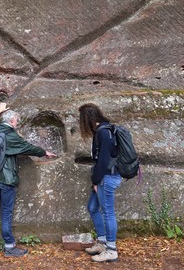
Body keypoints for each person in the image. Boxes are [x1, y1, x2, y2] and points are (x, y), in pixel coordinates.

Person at [0, 102, 57, 257]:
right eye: (16, 121)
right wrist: (45, 152)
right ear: (11, 121)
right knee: (6, 212)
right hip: (7, 179)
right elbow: (27, 147)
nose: (17, 124)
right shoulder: (11, 135)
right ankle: (9, 247)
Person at [78, 103, 122, 263]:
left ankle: (111, 250)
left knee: (108, 212)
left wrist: (96, 181)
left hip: (107, 178)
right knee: (92, 208)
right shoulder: (104, 130)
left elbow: (103, 160)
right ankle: (102, 242)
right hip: (104, 177)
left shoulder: (103, 132)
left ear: (87, 119)